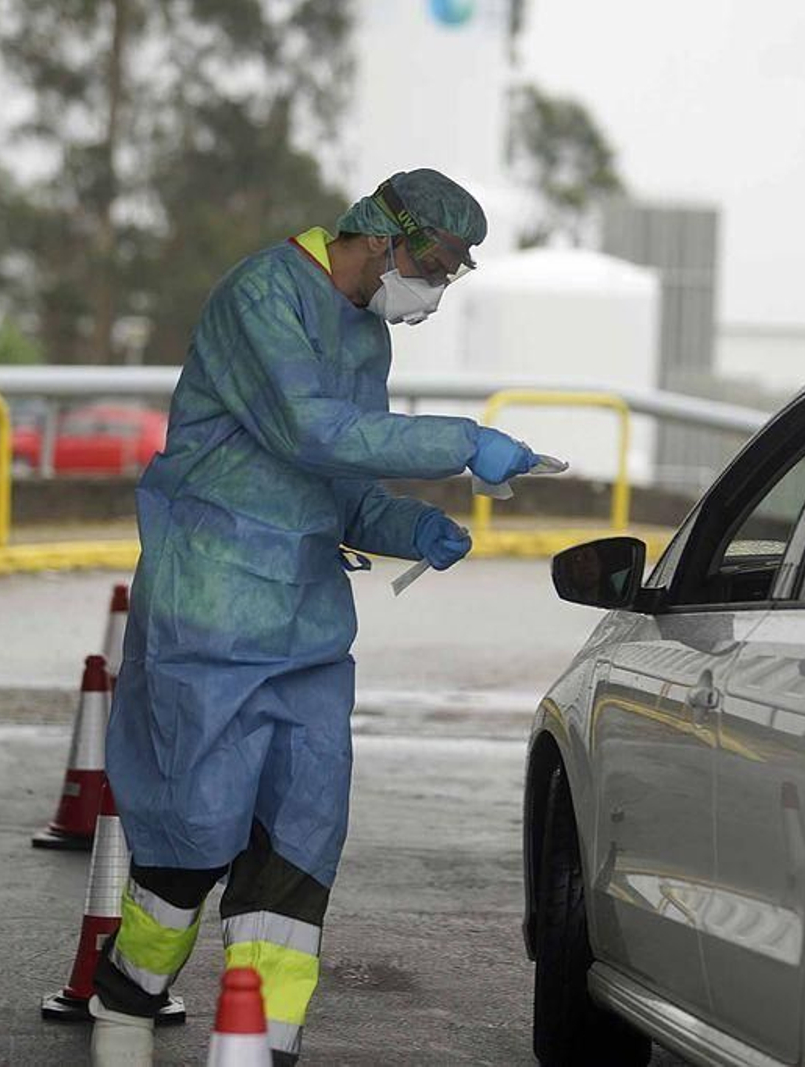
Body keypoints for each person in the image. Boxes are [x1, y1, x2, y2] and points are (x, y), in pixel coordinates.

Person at [89, 169, 536, 1066]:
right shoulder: (262, 295)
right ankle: (128, 998)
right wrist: (460, 440)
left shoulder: (367, 335)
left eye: (454, 272)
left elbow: (338, 480)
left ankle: (264, 1040)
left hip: (306, 634)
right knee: (193, 830)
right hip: (211, 613)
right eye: (436, 264)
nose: (437, 288)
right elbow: (312, 431)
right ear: (381, 235)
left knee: (301, 832)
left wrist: (408, 524)